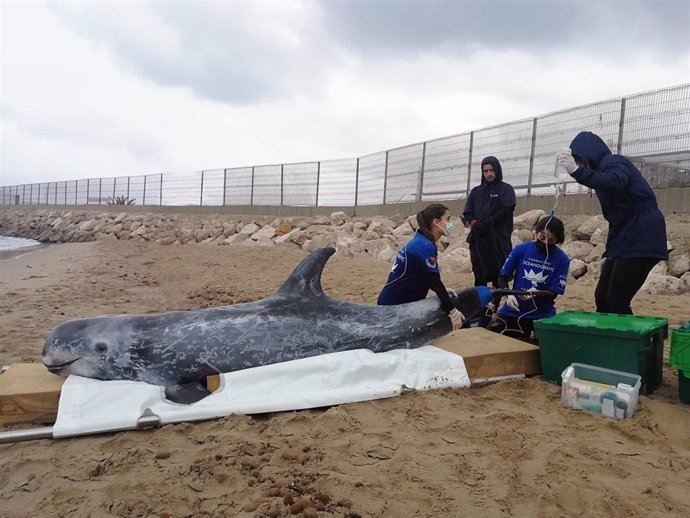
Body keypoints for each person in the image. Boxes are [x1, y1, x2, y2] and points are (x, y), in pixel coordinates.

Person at [557, 131, 668, 315]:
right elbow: (617, 220)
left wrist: (578, 172)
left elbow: (617, 181)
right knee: (602, 297)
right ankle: (609, 339)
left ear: (588, 156)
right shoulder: (602, 173)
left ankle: (628, 342)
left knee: (617, 299)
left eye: (578, 161)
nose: (577, 166)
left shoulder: (615, 162)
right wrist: (609, 254)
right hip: (624, 237)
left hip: (643, 236)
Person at [377, 204, 464, 329]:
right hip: (394, 305)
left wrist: (442, 291)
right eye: (448, 219)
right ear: (436, 222)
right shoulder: (424, 246)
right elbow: (434, 280)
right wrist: (453, 311)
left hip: (397, 301)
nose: (450, 224)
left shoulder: (422, 240)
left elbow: (423, 275)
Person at [487, 216, 570, 343]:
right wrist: (508, 294)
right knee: (490, 337)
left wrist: (535, 293)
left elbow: (553, 293)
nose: (546, 243)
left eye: (551, 240)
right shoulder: (521, 250)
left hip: (542, 314)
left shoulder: (562, 259)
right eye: (542, 237)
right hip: (513, 310)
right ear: (536, 233)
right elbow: (502, 277)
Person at [463, 156, 516, 287]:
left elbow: (507, 209)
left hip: (499, 241)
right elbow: (468, 212)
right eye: (485, 171)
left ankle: (498, 305)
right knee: (480, 276)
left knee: (500, 277)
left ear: (497, 170)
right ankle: (481, 306)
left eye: (491, 170)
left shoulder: (506, 189)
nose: (489, 174)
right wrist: (475, 224)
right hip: (480, 242)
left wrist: (490, 222)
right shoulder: (476, 192)